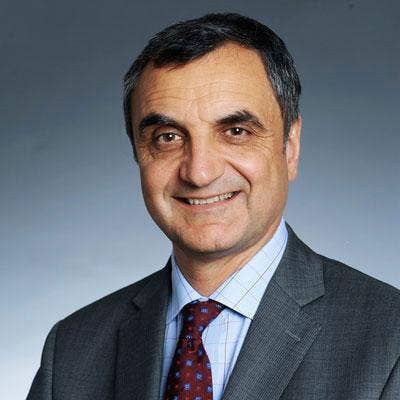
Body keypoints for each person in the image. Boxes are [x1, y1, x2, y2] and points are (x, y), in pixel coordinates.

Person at [27, 12, 399, 400]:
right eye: (167, 137)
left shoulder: (390, 341)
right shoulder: (71, 351)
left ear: (290, 147)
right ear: (138, 153)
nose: (199, 172)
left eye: (236, 131)